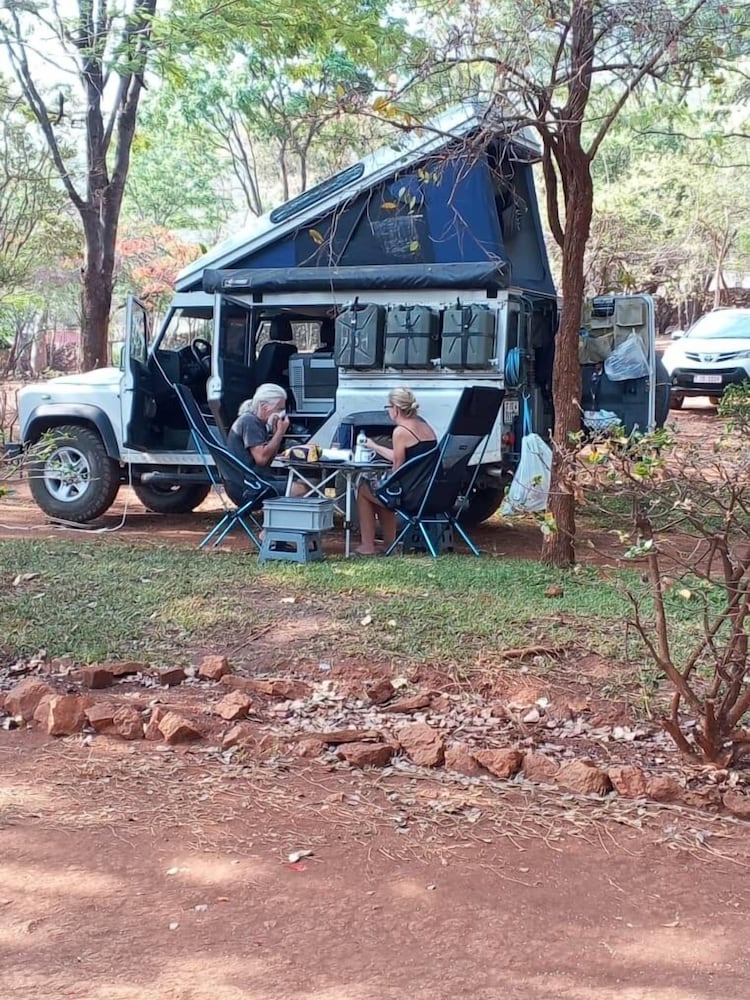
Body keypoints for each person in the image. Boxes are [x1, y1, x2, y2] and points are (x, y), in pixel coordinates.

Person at [355, 388, 437, 555]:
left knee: (364, 489)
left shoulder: (400, 431)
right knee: (381, 491)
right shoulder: (425, 426)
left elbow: (397, 469)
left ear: (396, 409)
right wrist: (375, 446)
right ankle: (389, 545)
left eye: (388, 407)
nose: (388, 411)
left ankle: (367, 546)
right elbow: (407, 456)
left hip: (411, 496)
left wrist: (382, 482)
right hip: (429, 491)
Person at [227, 383, 305, 497]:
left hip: (255, 480)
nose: (282, 413)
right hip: (248, 486)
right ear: (263, 407)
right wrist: (280, 433)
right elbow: (262, 459)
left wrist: (275, 435)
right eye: (279, 409)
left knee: (307, 483)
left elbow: (267, 460)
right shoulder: (249, 421)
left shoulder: (258, 423)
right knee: (303, 489)